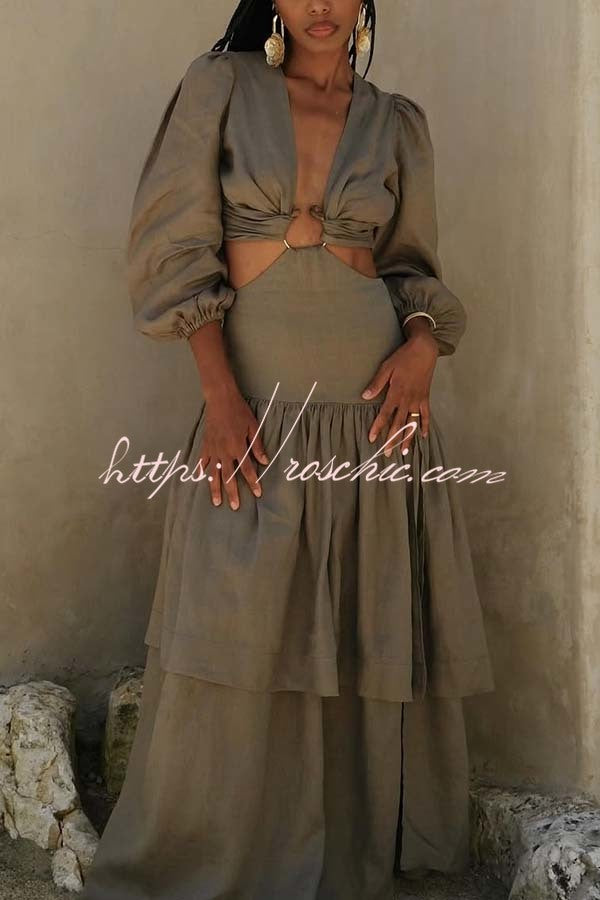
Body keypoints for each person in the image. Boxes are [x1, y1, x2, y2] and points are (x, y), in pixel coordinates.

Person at [80, 2, 495, 898]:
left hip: (371, 416)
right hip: (256, 405)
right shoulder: (221, 87)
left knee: (355, 621)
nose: (320, 5)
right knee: (235, 618)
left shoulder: (396, 122)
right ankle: (217, 852)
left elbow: (412, 270)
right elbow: (173, 248)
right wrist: (219, 396)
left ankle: (340, 853)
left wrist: (424, 345)